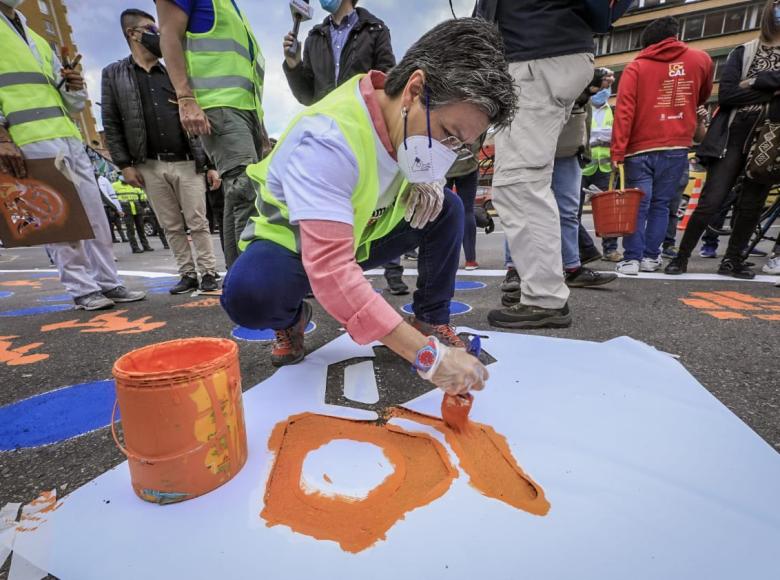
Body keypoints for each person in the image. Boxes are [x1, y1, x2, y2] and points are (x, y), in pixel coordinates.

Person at [222, 18, 516, 396]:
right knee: (250, 294)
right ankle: (291, 317)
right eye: (447, 135)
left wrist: (430, 181)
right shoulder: (328, 140)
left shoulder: (407, 121)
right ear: (414, 88)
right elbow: (330, 268)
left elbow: (417, 158)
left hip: (362, 236)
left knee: (449, 209)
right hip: (293, 248)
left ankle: (430, 317)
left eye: (459, 146)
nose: (445, 154)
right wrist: (428, 358)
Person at [0, 1, 145, 310]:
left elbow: (71, 102)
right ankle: (82, 288)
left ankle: (108, 281)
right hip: (27, 138)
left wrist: (74, 87)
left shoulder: (34, 36)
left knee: (94, 215)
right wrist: (2, 138)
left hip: (67, 135)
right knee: (60, 218)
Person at [476, 0, 595, 330]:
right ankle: (542, 289)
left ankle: (544, 297)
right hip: (554, 49)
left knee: (519, 185)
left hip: (534, 57)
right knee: (532, 181)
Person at [283, 0, 408, 295]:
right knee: (333, 204)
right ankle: (329, 272)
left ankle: (393, 269)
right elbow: (306, 94)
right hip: (328, 129)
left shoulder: (375, 29)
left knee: (381, 198)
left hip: (366, 126)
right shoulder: (315, 36)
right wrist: (293, 65)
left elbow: (387, 78)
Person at [102, 8, 220, 295]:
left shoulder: (173, 70)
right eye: (149, 29)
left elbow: (199, 114)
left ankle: (208, 271)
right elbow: (112, 121)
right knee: (170, 224)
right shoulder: (115, 75)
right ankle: (187, 273)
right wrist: (124, 164)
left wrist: (209, 163)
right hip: (149, 163)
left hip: (187, 159)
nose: (157, 35)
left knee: (197, 221)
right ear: (132, 34)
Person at [667, 1, 780, 278]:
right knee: (712, 199)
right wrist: (771, 88)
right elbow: (728, 95)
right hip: (733, 132)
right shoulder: (743, 51)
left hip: (771, 137)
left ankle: (732, 259)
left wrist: (754, 82)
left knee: (753, 203)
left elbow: (739, 90)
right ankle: (681, 258)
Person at [157, 0, 269, 270]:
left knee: (237, 196)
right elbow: (169, 35)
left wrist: (260, 125)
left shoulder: (229, 6)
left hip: (244, 110)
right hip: (221, 107)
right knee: (246, 193)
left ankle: (239, 282)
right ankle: (253, 287)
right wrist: (185, 97)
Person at [611, 16, 713, 276]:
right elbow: (702, 95)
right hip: (676, 145)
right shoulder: (701, 60)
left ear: (647, 43)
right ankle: (651, 257)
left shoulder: (637, 67)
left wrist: (618, 151)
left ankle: (631, 258)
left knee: (638, 205)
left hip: (639, 148)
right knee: (661, 204)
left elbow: (624, 112)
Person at [579, 67, 620, 262]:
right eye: (604, 82)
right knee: (573, 212)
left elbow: (614, 138)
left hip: (603, 168)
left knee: (607, 212)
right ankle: (578, 250)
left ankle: (610, 249)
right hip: (581, 168)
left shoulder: (610, 111)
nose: (606, 88)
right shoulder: (581, 106)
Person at [445, 142, 481, 270]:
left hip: (443, 163)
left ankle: (445, 259)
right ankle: (470, 260)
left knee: (442, 213)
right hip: (467, 163)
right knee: (467, 211)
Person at [96, 171, 126, 244]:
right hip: (99, 207)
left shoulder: (103, 180)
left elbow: (112, 195)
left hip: (109, 207)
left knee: (117, 223)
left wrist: (118, 209)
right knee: (108, 225)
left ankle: (123, 237)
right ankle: (111, 238)